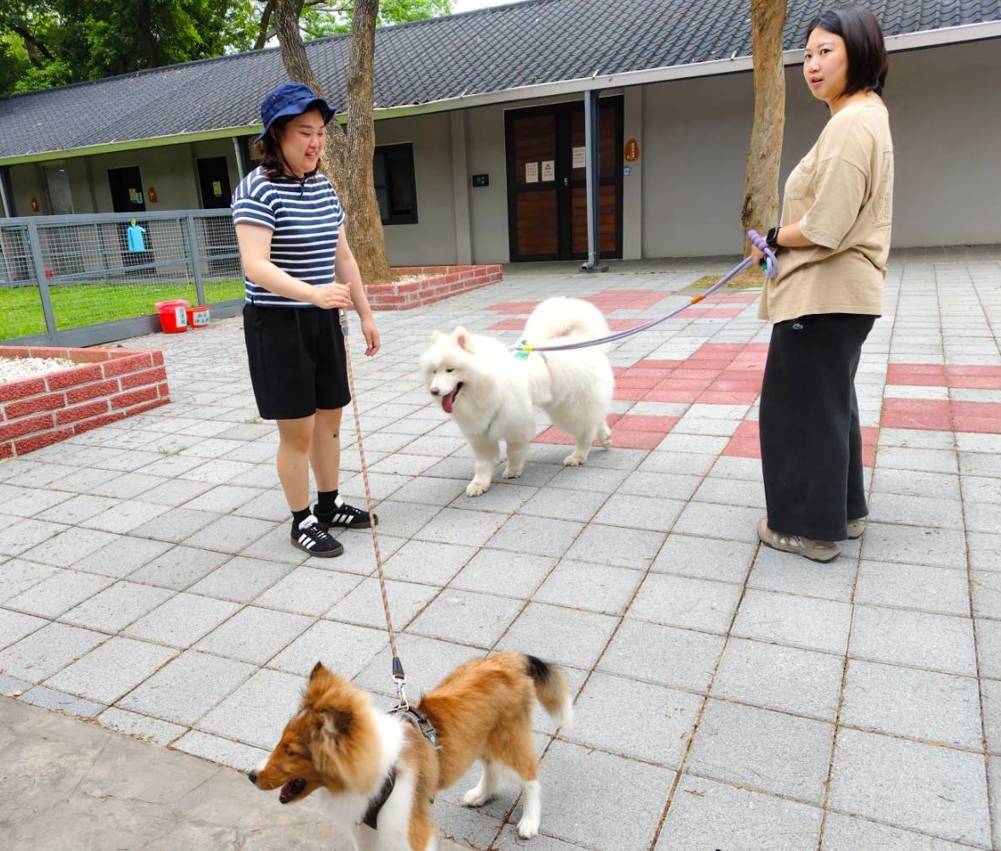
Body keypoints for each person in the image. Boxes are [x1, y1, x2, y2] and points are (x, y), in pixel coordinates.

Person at [750, 6, 893, 562]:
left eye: (825, 51)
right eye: (807, 54)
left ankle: (808, 529)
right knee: (830, 405)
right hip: (842, 294)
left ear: (858, 52)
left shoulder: (852, 123)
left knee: (797, 410)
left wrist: (773, 235)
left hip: (825, 291)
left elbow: (825, 227)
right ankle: (845, 511)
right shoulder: (866, 116)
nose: (811, 64)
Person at [232, 82, 381, 557]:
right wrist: (313, 294)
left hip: (322, 321)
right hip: (277, 325)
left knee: (329, 420)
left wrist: (365, 312)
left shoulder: (322, 186)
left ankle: (330, 502)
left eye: (319, 132)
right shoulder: (255, 189)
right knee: (296, 428)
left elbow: (344, 257)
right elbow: (256, 264)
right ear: (276, 135)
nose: (315, 142)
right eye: (303, 132)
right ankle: (302, 520)